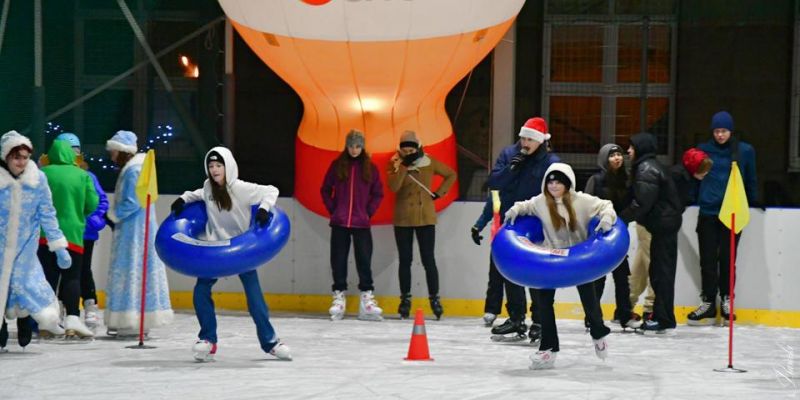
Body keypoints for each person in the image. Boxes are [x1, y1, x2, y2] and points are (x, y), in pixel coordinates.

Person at [172, 146, 291, 361]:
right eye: (211, 166)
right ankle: (208, 339)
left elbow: (271, 190)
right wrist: (183, 199)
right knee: (200, 291)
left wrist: (263, 208)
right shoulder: (209, 187)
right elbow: (198, 194)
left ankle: (271, 342)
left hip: (241, 251)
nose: (215, 169)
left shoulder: (241, 188)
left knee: (254, 297)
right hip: (214, 251)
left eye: (219, 165)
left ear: (228, 167)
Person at [504, 163, 614, 370]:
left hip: (578, 259)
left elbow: (606, 205)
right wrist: (515, 209)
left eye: (558, 182)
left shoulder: (581, 201)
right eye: (550, 182)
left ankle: (598, 332)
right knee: (543, 302)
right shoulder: (541, 202)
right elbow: (526, 205)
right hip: (551, 260)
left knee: (590, 301)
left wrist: (607, 218)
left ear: (567, 184)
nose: (553, 186)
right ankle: (548, 348)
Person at [487, 117, 560, 343]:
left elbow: (559, 192)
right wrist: (512, 168)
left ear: (540, 141)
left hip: (538, 223)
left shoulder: (551, 162)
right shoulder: (509, 155)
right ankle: (516, 318)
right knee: (512, 271)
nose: (524, 143)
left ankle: (539, 321)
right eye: (523, 138)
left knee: (537, 273)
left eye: (530, 139)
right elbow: (494, 182)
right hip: (512, 220)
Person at [0, 131, 71, 350]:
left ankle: (24, 321)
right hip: (0, 245)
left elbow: (47, 212)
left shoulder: (38, 179)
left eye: (25, 157)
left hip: (26, 245)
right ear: (6, 157)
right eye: (16, 157)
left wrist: (58, 244)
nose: (21, 162)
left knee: (25, 284)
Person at [688, 111, 757, 326]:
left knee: (728, 259)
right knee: (708, 260)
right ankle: (708, 302)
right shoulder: (703, 150)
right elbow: (694, 177)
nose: (720, 135)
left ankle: (727, 299)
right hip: (708, 212)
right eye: (717, 131)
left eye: (724, 131)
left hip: (732, 214)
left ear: (731, 131)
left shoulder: (743, 151)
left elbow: (750, 178)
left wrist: (752, 201)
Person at [104, 130, 173, 336]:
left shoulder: (134, 170)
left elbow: (134, 201)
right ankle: (131, 319)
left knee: (132, 268)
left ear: (122, 151)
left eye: (114, 151)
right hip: (135, 229)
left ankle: (131, 319)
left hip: (134, 231)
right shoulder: (136, 168)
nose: (112, 156)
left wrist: (113, 215)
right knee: (133, 270)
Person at [387, 130, 457, 320]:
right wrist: (403, 167)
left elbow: (451, 175)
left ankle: (434, 299)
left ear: (417, 148)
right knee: (405, 260)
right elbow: (393, 187)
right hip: (403, 219)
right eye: (405, 150)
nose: (408, 153)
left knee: (428, 260)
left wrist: (439, 193)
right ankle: (405, 299)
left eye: (411, 149)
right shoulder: (394, 163)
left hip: (425, 218)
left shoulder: (428, 162)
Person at [620, 133, 683, 335]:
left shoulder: (646, 169)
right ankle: (661, 316)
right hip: (663, 226)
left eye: (631, 147)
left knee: (661, 274)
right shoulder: (649, 166)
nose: (628, 151)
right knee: (658, 272)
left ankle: (663, 318)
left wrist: (620, 219)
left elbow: (642, 203)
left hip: (663, 227)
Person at [38, 139, 99, 339]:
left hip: (46, 235)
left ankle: (46, 323)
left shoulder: (43, 174)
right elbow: (92, 203)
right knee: (72, 277)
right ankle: (72, 319)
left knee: (48, 278)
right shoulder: (83, 175)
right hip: (73, 234)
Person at [320, 130, 384, 321]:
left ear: (362, 147)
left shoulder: (370, 168)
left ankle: (367, 299)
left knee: (364, 260)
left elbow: (378, 193)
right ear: (346, 146)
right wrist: (334, 209)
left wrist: (368, 212)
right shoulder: (337, 165)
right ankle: (339, 296)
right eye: (351, 145)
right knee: (338, 259)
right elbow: (325, 189)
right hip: (340, 222)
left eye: (357, 146)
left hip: (361, 223)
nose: (354, 150)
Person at [51, 133, 109, 328]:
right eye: (70, 151)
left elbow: (100, 202)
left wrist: (91, 221)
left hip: (84, 234)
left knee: (82, 270)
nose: (74, 155)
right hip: (58, 233)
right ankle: (59, 307)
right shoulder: (51, 173)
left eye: (76, 151)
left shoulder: (88, 176)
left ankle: (89, 305)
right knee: (57, 272)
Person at [584, 144, 642, 330]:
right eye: (612, 155)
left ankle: (624, 315)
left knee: (622, 277)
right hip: (599, 236)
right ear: (604, 159)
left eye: (619, 154)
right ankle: (592, 316)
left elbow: (634, 204)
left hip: (618, 238)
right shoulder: (596, 180)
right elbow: (587, 207)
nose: (617, 158)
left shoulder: (627, 180)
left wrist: (621, 220)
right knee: (598, 278)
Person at [470, 194, 504, 327]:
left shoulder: (521, 186)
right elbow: (488, 212)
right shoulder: (496, 192)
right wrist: (477, 227)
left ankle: (518, 314)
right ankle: (492, 309)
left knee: (516, 281)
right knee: (495, 277)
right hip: (498, 241)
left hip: (519, 240)